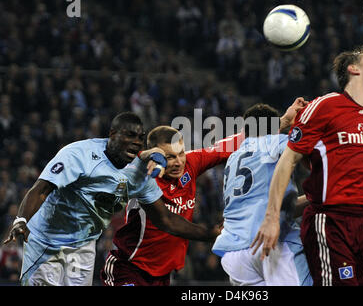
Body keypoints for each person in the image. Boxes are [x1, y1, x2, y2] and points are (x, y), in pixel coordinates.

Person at [251, 45, 363, 286]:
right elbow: (288, 159)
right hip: (331, 221)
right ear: (354, 69)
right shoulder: (326, 105)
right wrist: (271, 216)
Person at [101, 99, 307, 286]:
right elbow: (168, 221)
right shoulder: (142, 176)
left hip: (162, 274)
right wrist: (144, 156)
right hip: (128, 266)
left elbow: (240, 142)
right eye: (169, 157)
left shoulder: (191, 162)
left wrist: (280, 122)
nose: (178, 162)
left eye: (180, 153)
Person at [3, 112, 219, 286]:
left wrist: (209, 233)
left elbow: (167, 220)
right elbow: (40, 189)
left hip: (83, 245)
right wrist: (21, 220)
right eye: (129, 136)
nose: (135, 142)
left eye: (139, 138)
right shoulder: (78, 155)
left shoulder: (138, 174)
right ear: (112, 134)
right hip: (45, 241)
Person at [212, 103, 312, 286]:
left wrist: (312, 199)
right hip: (270, 244)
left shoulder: (233, 158)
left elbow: (273, 206)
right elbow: (309, 145)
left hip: (234, 254)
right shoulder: (276, 142)